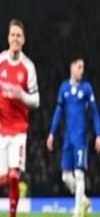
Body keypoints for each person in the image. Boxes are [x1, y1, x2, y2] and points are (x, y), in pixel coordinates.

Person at [0, 19, 39, 217]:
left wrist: (23, 95)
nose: (15, 39)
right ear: (8, 38)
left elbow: (36, 100)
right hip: (0, 128)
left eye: (19, 35)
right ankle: (17, 186)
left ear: (23, 40)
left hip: (19, 130)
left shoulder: (28, 67)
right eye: (13, 35)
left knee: (13, 174)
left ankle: (13, 212)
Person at [47, 58, 100, 217]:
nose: (82, 70)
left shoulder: (86, 88)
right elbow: (58, 112)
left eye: (83, 67)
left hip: (80, 139)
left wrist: (98, 134)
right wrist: (52, 133)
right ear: (72, 69)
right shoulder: (64, 88)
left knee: (79, 174)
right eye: (79, 67)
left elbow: (94, 113)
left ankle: (77, 212)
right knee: (65, 176)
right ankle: (83, 199)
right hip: (68, 138)